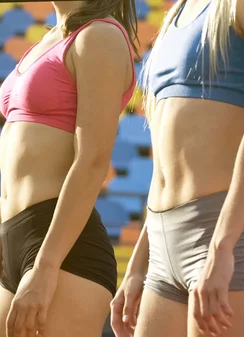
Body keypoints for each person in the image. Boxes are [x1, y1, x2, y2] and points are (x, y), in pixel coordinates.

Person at [109, 0, 244, 336]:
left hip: (224, 235)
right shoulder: (176, 12)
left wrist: (222, 248)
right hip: (162, 249)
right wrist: (138, 265)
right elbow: (166, 160)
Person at [0, 0, 137, 336]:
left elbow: (92, 161)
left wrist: (45, 267)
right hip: (12, 239)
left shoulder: (100, 36)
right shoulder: (46, 41)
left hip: (62, 249)